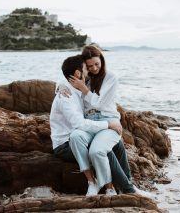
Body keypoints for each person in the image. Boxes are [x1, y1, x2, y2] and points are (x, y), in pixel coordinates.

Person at [50, 55, 132, 196]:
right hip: (65, 145)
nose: (89, 71)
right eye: (86, 68)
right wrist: (107, 124)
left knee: (117, 144)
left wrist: (60, 85)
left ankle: (128, 181)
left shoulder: (74, 89)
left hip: (79, 135)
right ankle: (124, 189)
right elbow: (79, 123)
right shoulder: (67, 96)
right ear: (77, 73)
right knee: (104, 150)